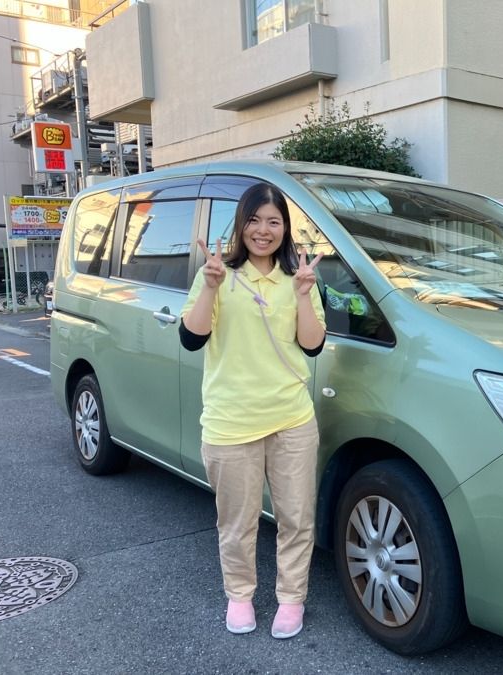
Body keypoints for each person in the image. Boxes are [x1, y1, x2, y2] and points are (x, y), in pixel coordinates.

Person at [179, 182, 326, 639]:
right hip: (231, 422)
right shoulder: (217, 274)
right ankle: (239, 596)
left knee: (297, 519)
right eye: (255, 220)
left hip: (292, 419)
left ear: (285, 228)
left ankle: (291, 598)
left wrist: (303, 295)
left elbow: (313, 344)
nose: (264, 230)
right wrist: (209, 287)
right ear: (241, 225)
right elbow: (192, 337)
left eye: (274, 221)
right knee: (236, 523)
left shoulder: (298, 279)